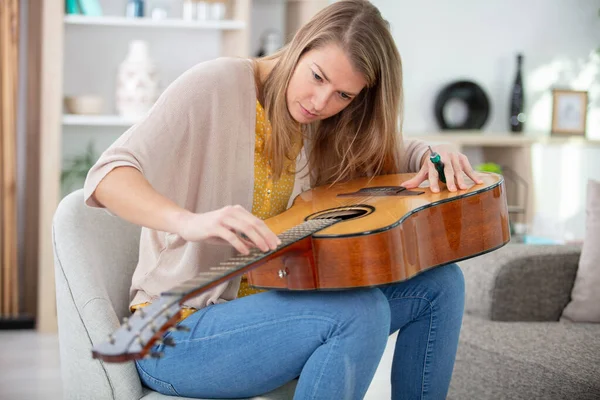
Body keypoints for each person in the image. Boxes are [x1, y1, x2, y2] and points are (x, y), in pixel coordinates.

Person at [84, 1, 483, 398]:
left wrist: (435, 155)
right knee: (360, 312)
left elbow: (395, 148)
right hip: (174, 333)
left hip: (271, 315)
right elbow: (108, 175)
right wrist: (189, 221)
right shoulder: (217, 83)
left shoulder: (324, 123)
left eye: (343, 95)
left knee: (441, 285)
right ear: (301, 45)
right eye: (317, 76)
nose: (320, 102)